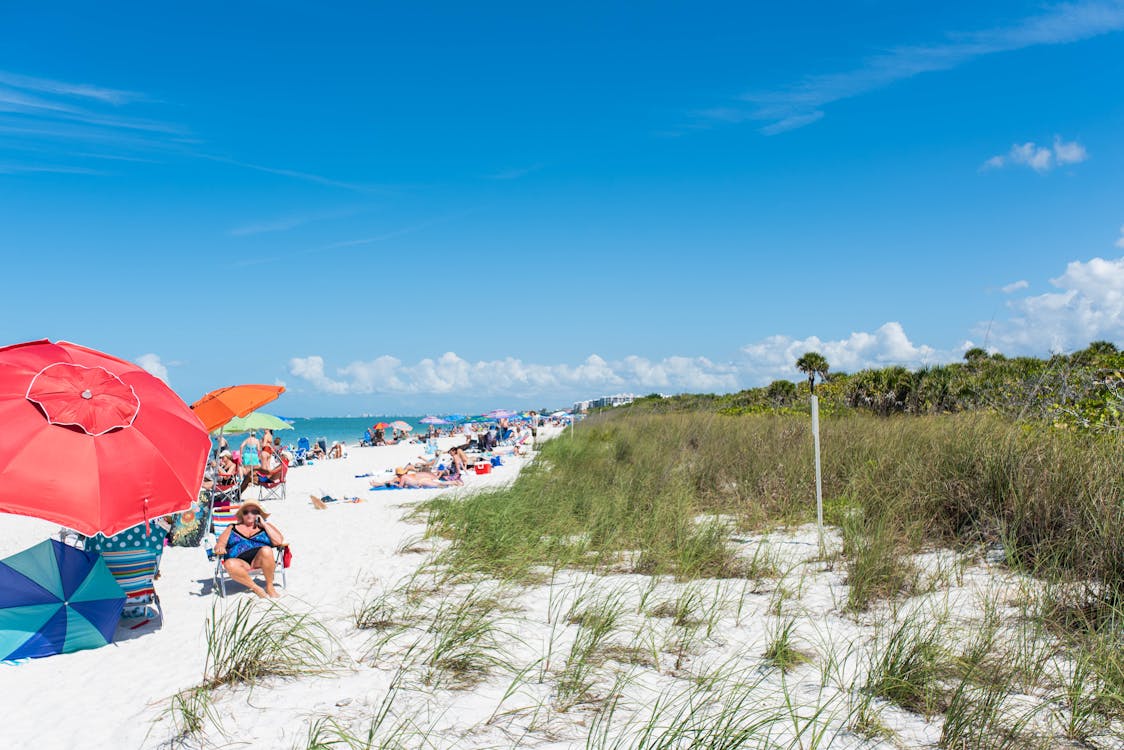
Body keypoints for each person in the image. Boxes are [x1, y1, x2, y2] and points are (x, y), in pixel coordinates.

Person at [213, 501, 284, 598]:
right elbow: (220, 543)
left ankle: (269, 586)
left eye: (254, 512)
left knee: (266, 550)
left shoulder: (265, 528)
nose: (249, 514)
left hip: (259, 560)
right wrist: (220, 547)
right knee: (229, 564)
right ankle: (255, 588)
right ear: (242, 515)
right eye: (246, 512)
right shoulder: (232, 528)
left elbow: (279, 541)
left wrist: (264, 524)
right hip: (240, 561)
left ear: (258, 514)